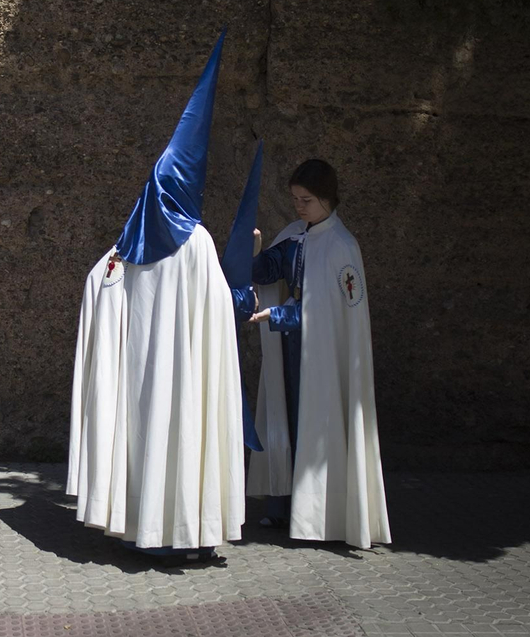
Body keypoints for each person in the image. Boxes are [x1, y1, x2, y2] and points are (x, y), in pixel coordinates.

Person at [68, 31, 245, 560]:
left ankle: (150, 529)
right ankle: (192, 530)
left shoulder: (131, 245)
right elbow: (220, 315)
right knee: (191, 429)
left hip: (145, 378)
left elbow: (99, 281)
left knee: (149, 434)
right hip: (187, 373)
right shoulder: (198, 242)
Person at [235, 159, 391, 549]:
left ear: (327, 198)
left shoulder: (342, 247)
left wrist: (280, 313)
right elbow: (269, 270)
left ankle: (319, 513)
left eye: (307, 200)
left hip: (323, 355)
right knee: (286, 422)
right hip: (292, 347)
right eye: (295, 199)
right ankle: (284, 505)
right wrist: (252, 250)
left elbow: (331, 313)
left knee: (316, 428)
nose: (299, 207)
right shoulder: (295, 235)